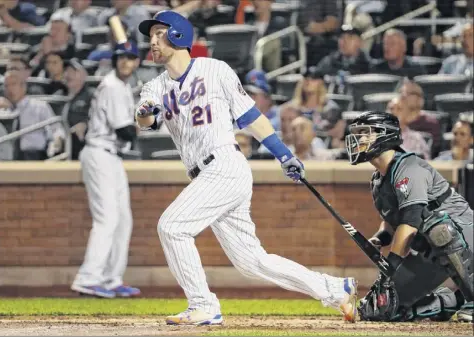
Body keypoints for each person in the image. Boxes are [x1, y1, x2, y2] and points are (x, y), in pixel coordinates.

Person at [135, 10, 358, 326]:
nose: (153, 41)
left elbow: (250, 117)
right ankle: (335, 289)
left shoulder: (214, 70)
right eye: (151, 35)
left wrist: (283, 154)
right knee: (252, 261)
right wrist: (144, 112)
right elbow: (144, 120)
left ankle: (202, 304)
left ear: (179, 35)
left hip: (223, 164)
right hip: (206, 174)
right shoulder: (155, 87)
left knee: (172, 226)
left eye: (159, 33)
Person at [345, 111, 473, 323]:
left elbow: (411, 222)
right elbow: (391, 223)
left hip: (463, 236)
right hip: (431, 252)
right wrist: (379, 239)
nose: (358, 139)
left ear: (384, 134)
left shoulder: (409, 167)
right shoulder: (378, 180)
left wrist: (391, 266)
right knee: (380, 309)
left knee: (439, 229)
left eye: (364, 133)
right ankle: (452, 301)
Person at [71, 42, 141, 298]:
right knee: (108, 219)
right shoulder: (112, 86)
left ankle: (111, 279)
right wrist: (150, 119)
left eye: (131, 58)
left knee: (123, 220)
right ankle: (88, 278)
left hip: (112, 157)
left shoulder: (122, 87)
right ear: (115, 61)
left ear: (137, 62)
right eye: (122, 57)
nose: (126, 62)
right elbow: (125, 131)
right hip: (100, 153)